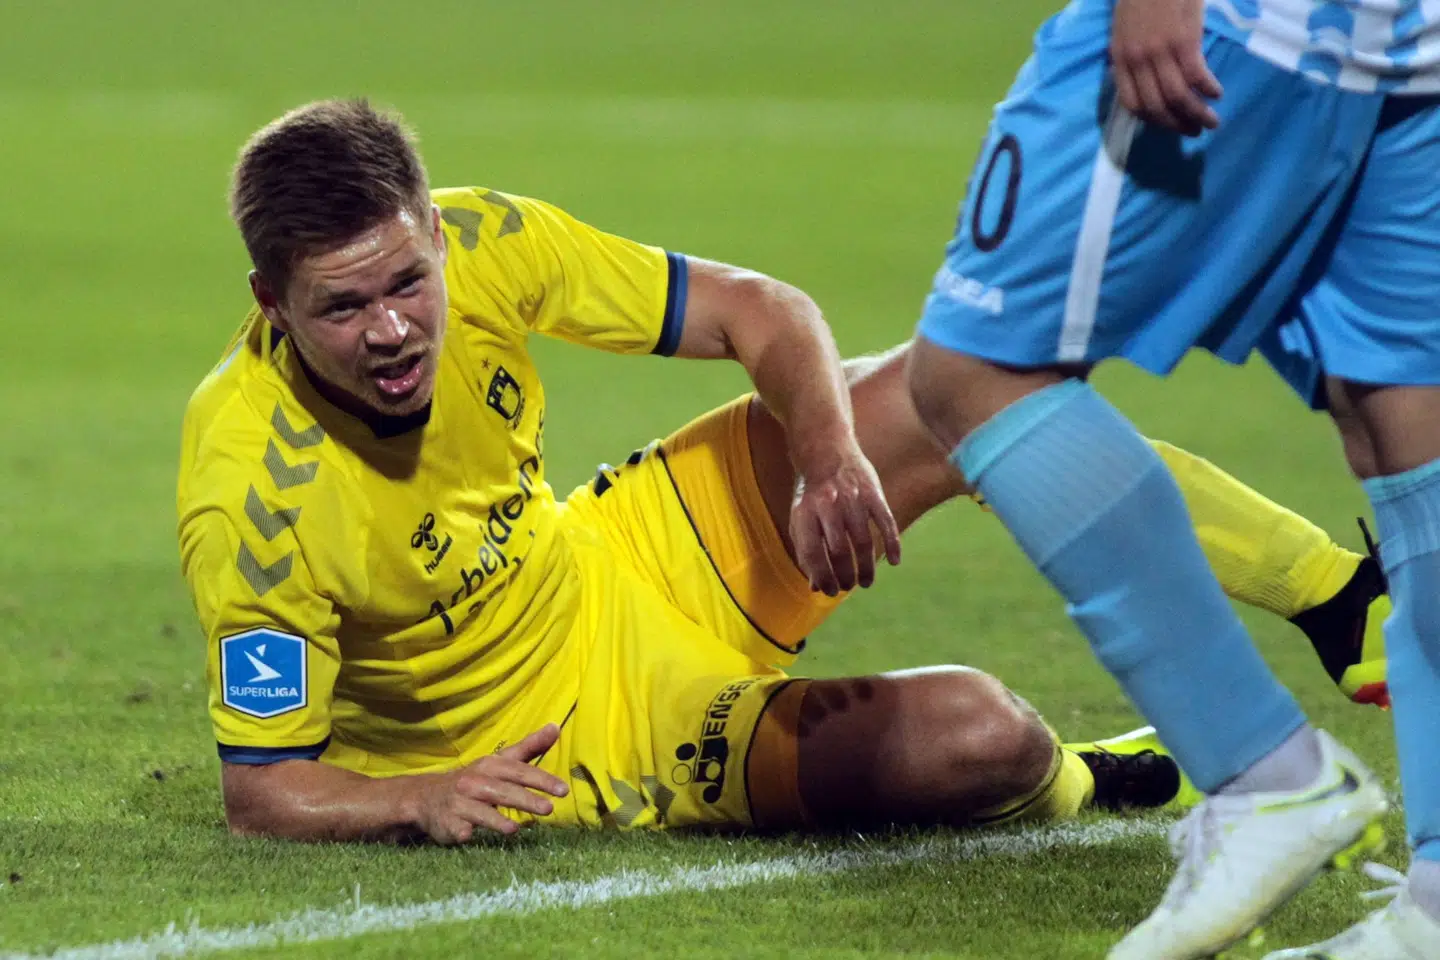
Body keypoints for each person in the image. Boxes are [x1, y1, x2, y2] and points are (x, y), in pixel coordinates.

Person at [179, 98, 1382, 849]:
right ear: (270, 303)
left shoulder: (489, 241)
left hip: (625, 549)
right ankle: (1093, 781)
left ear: (435, 233)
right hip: (577, 741)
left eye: (406, 283)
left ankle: (1343, 598)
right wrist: (419, 796)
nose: (391, 330)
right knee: (981, 738)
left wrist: (826, 461)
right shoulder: (251, 496)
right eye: (342, 308)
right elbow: (265, 789)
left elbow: (764, 311)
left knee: (962, 384)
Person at [903, 0, 1440, 956]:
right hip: (1406, 41)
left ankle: (1260, 775)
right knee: (1405, 421)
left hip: (1255, 24)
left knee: (975, 371)